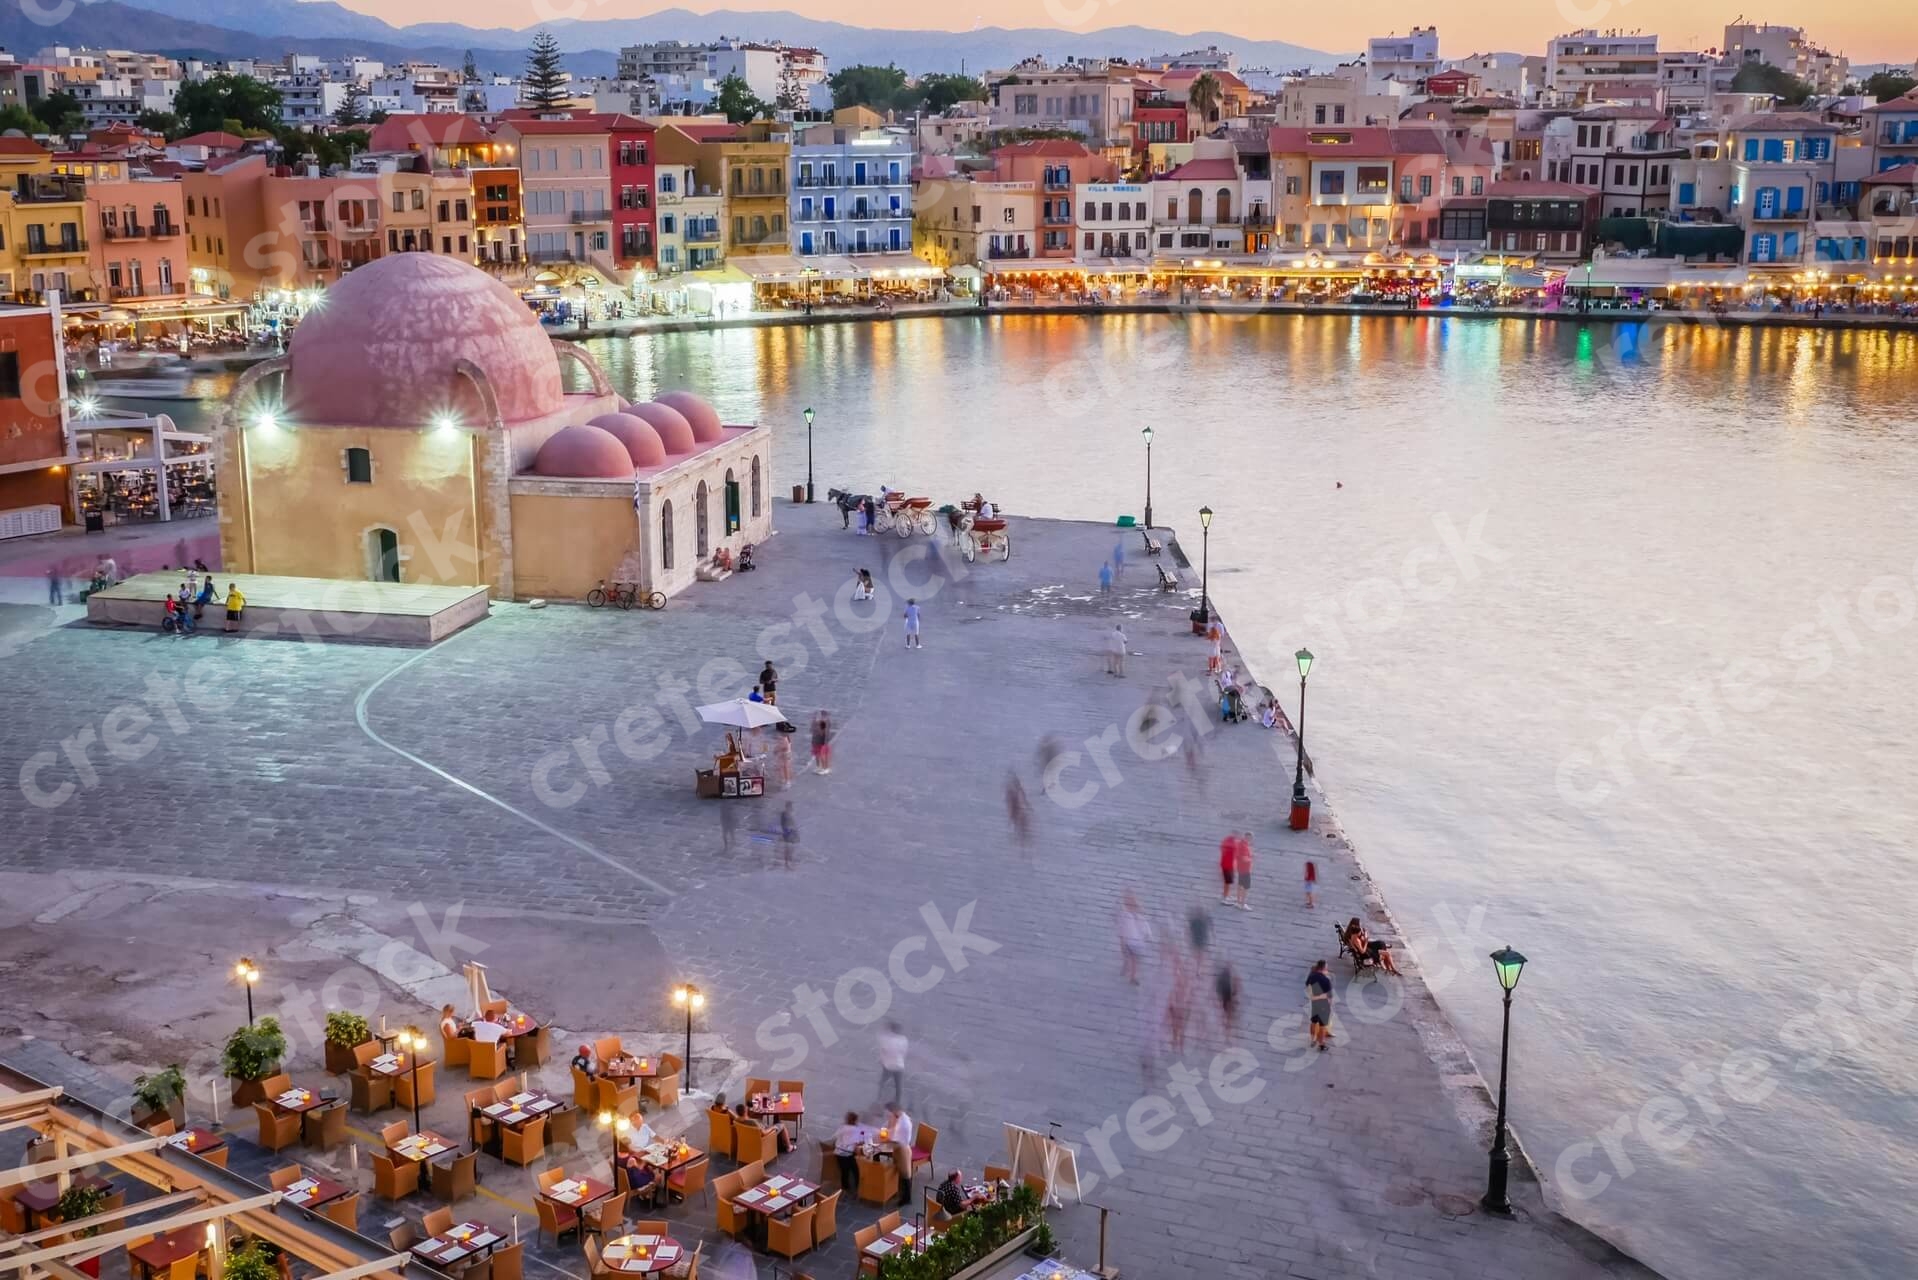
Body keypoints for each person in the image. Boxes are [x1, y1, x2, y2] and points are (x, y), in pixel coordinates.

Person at [1117, 891, 1152, 985]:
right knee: (1133, 958)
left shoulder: (1137, 916)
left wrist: (1147, 935)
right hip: (1131, 941)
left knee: (1134, 958)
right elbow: (1122, 929)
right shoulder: (1125, 915)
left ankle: (1131, 973)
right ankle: (1131, 973)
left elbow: (1145, 926)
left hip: (1135, 942)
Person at [886, 1101, 915, 1207]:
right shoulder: (899, 1118)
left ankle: (906, 1198)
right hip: (898, 1148)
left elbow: (898, 1138)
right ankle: (898, 1191)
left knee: (905, 1174)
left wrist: (888, 1140)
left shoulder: (904, 1123)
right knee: (900, 1171)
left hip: (902, 1149)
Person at [876, 1020, 907, 1107]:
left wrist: (882, 1060)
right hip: (899, 1065)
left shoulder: (887, 1039)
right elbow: (904, 1052)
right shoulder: (903, 1039)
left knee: (883, 1082)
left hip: (888, 1065)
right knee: (898, 1085)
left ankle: (879, 1099)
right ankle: (898, 1102)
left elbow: (883, 1050)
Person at [833, 1111, 864, 1192]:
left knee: (844, 1172)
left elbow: (835, 1136)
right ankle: (858, 1186)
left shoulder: (842, 1127)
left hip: (838, 1153)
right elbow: (859, 1143)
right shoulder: (856, 1130)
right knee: (856, 1170)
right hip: (848, 1153)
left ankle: (846, 1187)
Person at [1306, 961, 1334, 1051]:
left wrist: (1313, 996)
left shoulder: (1311, 976)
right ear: (1324, 968)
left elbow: (1308, 985)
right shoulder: (1326, 980)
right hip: (1323, 1005)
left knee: (1313, 1021)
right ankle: (1322, 1044)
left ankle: (1313, 1039)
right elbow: (1329, 995)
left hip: (1315, 1004)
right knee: (1322, 1025)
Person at [1233, 832, 1253, 911]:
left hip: (1240, 868)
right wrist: (1251, 858)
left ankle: (1238, 902)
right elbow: (1244, 858)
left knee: (1240, 885)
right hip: (1245, 870)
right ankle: (1243, 904)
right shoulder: (1244, 846)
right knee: (1246, 887)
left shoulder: (1240, 843)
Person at [1219, 831, 1239, 904]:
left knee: (1228, 882)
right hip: (1228, 866)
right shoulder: (1232, 845)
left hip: (1226, 865)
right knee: (1227, 883)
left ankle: (1227, 895)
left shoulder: (1226, 841)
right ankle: (1224, 898)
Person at [811, 711, 832, 775]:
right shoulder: (822, 722)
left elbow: (821, 732)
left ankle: (825, 768)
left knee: (821, 754)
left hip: (821, 741)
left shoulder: (823, 722)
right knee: (818, 754)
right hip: (818, 741)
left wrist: (816, 724)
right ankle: (820, 767)